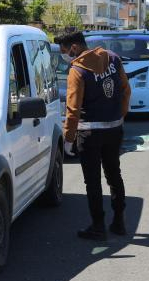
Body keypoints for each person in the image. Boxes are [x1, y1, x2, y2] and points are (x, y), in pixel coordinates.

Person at [54, 31, 131, 241]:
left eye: (64, 51)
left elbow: (73, 108)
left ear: (74, 47)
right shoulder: (112, 58)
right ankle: (119, 221)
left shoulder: (77, 70)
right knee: (114, 175)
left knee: (93, 181)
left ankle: (98, 227)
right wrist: (119, 114)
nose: (65, 56)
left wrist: (68, 138)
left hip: (88, 133)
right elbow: (126, 90)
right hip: (114, 129)